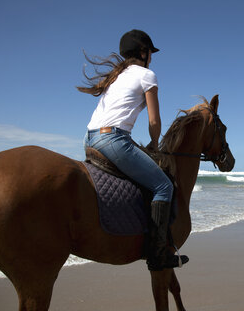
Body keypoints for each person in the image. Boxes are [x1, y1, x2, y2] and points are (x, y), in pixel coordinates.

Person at [78, 29, 188, 271]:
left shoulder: (116, 76)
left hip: (89, 139)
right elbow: (154, 121)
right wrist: (155, 144)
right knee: (163, 186)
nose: (152, 58)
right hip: (113, 140)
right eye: (151, 53)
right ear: (143, 52)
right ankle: (158, 254)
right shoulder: (147, 75)